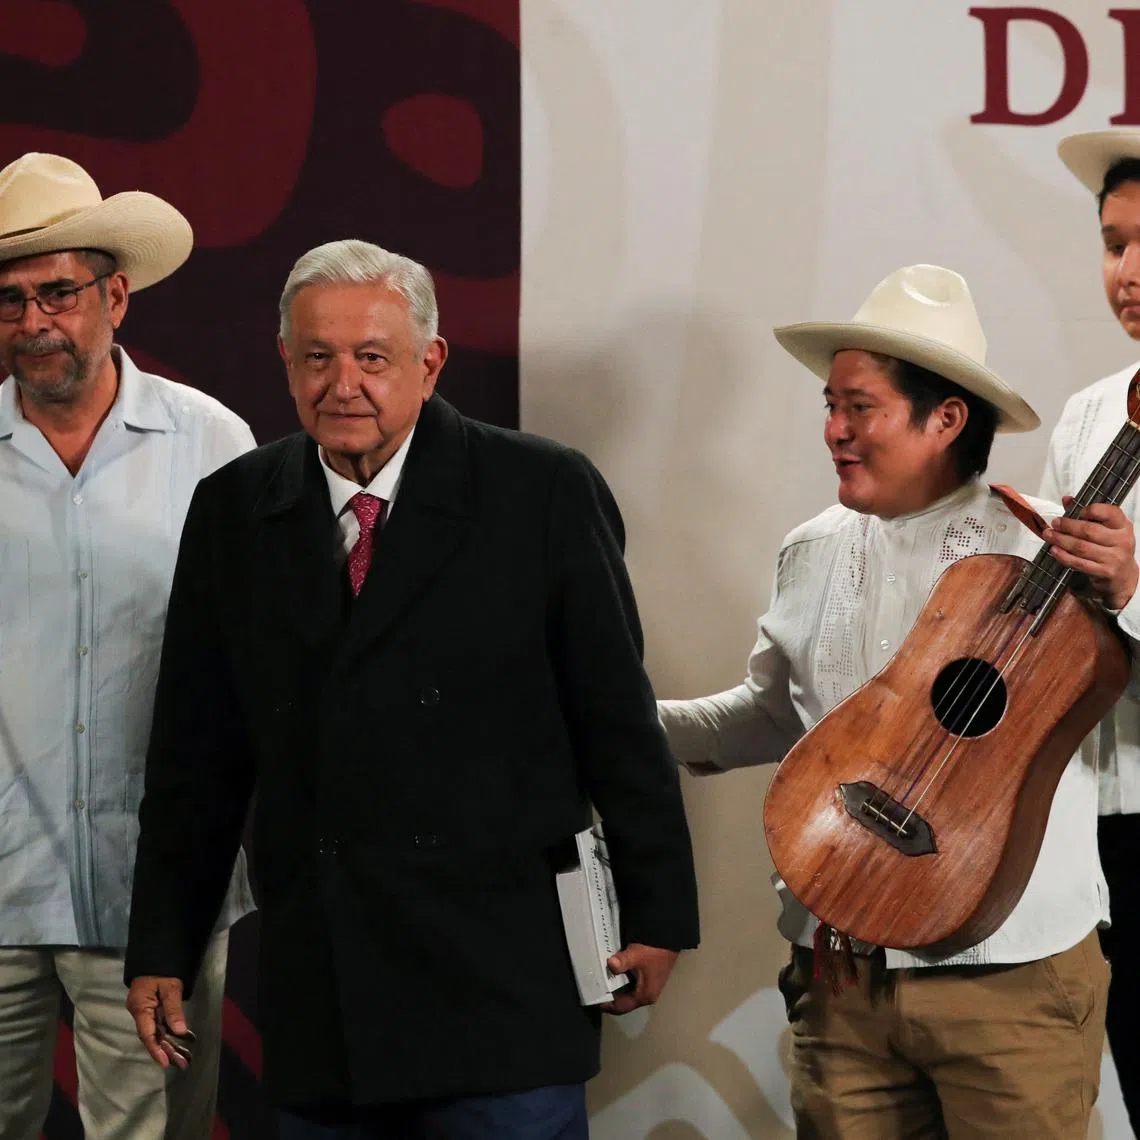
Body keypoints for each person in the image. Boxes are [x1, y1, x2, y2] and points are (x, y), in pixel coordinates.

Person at [123, 238, 700, 1139]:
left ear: (430, 365)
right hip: (326, 987)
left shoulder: (541, 489)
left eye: (372, 357)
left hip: (503, 976)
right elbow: (195, 758)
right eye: (317, 357)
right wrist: (163, 942)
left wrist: (658, 912)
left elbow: (616, 721)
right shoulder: (236, 507)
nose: (342, 384)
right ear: (285, 361)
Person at [658, 263, 1129, 1139]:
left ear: (945, 419)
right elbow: (777, 717)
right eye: (829, 405)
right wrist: (622, 721)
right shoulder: (809, 550)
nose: (833, 429)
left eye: (859, 407)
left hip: (1012, 981)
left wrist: (1129, 591)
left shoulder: (1058, 552)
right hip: (843, 984)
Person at [0, 152, 255, 1139]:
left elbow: (264, 665)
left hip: (157, 896)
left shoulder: (213, 446)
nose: (34, 322)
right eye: (11, 300)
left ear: (115, 296)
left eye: (57, 293)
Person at [1041, 128, 1140, 1135]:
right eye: (1114, 244)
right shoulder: (1087, 414)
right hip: (1098, 822)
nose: (1128, 272)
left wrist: (1132, 590)